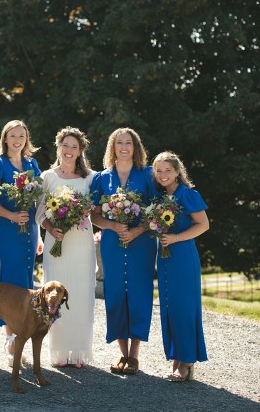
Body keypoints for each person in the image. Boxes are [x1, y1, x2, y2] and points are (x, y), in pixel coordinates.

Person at [90, 127, 157, 375]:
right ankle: (121, 353)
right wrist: (113, 226)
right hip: (112, 242)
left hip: (142, 242)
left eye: (128, 142)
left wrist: (137, 230)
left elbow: (157, 211)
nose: (124, 146)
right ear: (113, 147)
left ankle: (135, 356)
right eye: (119, 142)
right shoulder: (102, 178)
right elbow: (94, 214)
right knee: (116, 292)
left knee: (139, 292)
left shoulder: (148, 175)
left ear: (135, 146)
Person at [36, 127, 96, 368]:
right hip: (56, 243)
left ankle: (79, 353)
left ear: (81, 150)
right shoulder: (47, 177)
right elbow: (40, 212)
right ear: (58, 147)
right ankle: (60, 353)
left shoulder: (91, 177)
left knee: (80, 295)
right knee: (54, 297)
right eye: (65, 145)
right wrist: (51, 229)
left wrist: (87, 210)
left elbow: (96, 206)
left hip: (81, 244)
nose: (69, 151)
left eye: (74, 146)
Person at [0, 120, 43, 366]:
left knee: (27, 282)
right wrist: (10, 216)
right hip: (8, 229)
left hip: (28, 229)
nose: (17, 140)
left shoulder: (32, 164)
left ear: (26, 138)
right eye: (12, 135)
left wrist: (38, 233)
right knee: (11, 282)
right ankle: (10, 341)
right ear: (5, 139)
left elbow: (37, 202)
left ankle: (21, 336)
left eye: (21, 135)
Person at [153, 151, 209, 381]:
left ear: (177, 172)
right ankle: (177, 356)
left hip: (183, 256)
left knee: (184, 307)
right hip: (165, 257)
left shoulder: (188, 194)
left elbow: (203, 225)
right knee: (170, 307)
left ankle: (186, 362)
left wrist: (175, 239)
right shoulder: (160, 198)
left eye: (168, 170)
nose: (163, 174)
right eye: (158, 170)